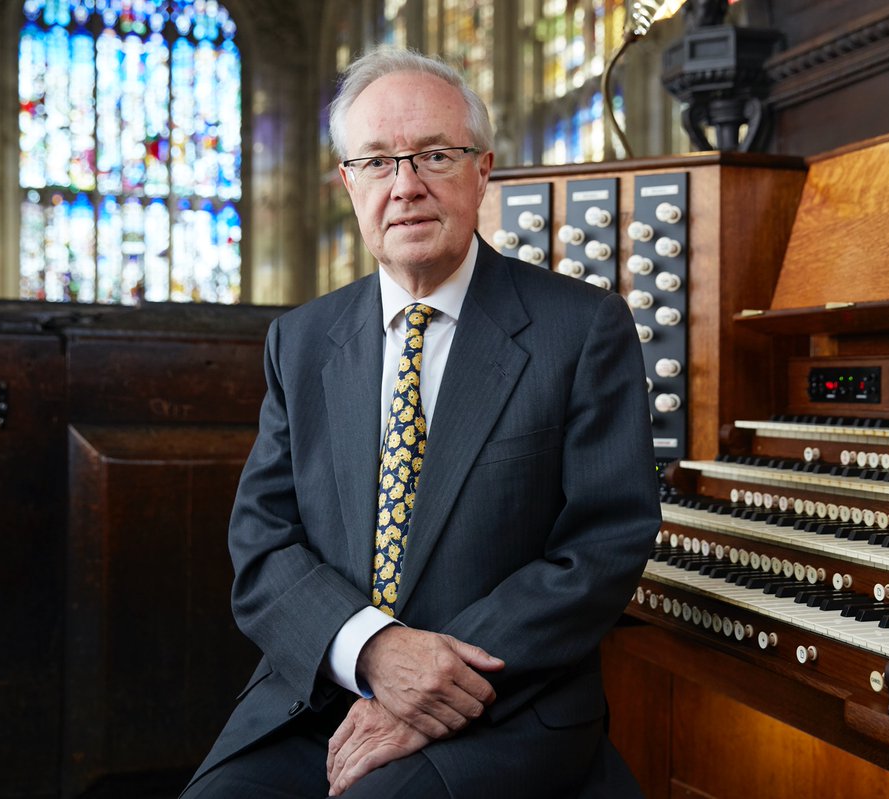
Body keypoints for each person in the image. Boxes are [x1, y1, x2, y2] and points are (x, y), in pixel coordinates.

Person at [182, 45, 660, 799]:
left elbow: (604, 542)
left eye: (435, 155)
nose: (406, 185)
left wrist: (430, 681)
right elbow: (262, 545)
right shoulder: (300, 342)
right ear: (349, 182)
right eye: (377, 161)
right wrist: (375, 653)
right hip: (324, 689)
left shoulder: (581, 328)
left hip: (504, 703)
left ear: (482, 171)